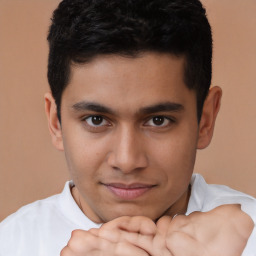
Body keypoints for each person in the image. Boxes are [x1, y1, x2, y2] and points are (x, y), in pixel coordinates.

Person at [0, 0, 255, 255]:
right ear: (56, 123)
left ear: (205, 120)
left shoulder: (250, 238)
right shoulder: (10, 244)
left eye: (158, 120)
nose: (127, 160)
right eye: (96, 120)